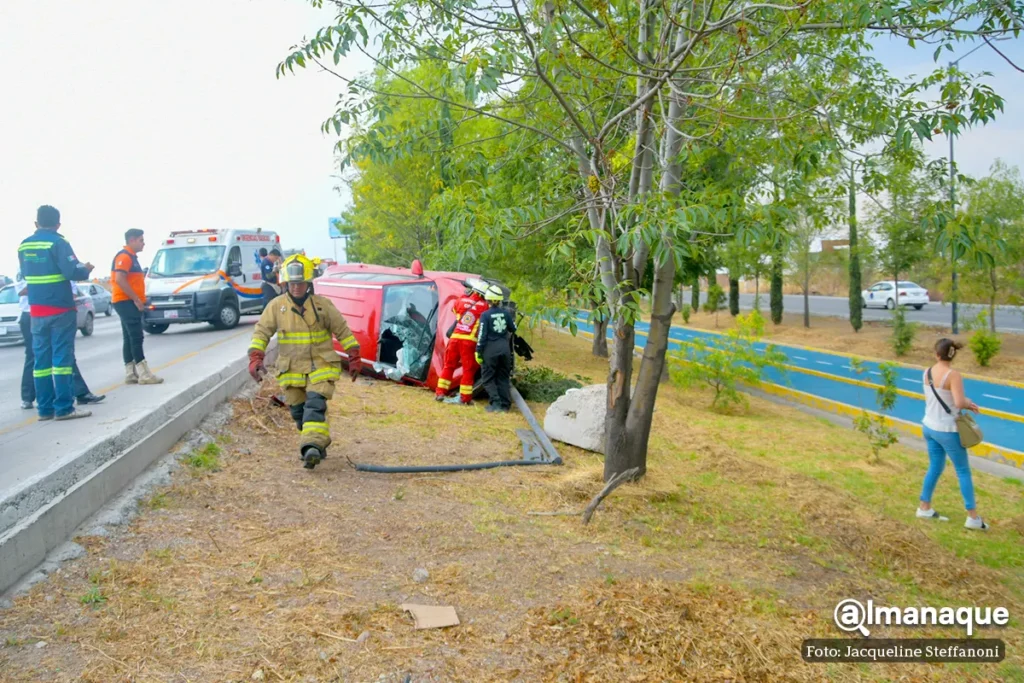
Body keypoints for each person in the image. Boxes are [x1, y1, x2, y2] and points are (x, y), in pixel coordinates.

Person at [247, 254, 362, 469]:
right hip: (291, 370)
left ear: (308, 283)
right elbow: (261, 333)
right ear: (286, 283)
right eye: (292, 283)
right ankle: (315, 444)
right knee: (299, 414)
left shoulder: (323, 306)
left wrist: (354, 356)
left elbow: (343, 331)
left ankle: (311, 449)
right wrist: (255, 357)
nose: (296, 287)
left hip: (321, 366)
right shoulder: (276, 307)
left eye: (300, 283)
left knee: (314, 407)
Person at [17, 205, 95, 421]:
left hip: (36, 310)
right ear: (58, 224)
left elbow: (26, 273)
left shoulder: (24, 246)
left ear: (36, 223)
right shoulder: (59, 242)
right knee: (62, 358)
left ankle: (44, 409)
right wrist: (85, 269)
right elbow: (72, 271)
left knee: (40, 361)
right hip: (60, 308)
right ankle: (64, 408)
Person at [918, 338, 986, 530]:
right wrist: (968, 401)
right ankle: (973, 518)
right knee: (963, 471)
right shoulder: (953, 375)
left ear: (936, 354)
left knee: (935, 467)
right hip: (948, 430)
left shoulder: (927, 373)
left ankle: (924, 507)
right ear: (952, 355)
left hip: (929, 427)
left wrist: (963, 401)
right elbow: (957, 402)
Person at [16, 276, 105, 409]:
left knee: (65, 354)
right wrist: (53, 287)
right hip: (32, 313)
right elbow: (21, 290)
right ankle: (28, 397)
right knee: (34, 356)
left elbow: (73, 291)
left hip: (58, 312)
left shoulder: (61, 264)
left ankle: (80, 393)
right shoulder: (28, 260)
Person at [112, 229, 163, 385]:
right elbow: (120, 279)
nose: (143, 243)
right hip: (126, 301)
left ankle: (130, 372)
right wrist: (136, 299)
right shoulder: (124, 257)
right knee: (136, 336)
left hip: (126, 301)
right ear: (132, 240)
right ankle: (144, 373)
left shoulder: (132, 257)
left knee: (128, 337)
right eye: (141, 240)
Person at [435, 284, 488, 404]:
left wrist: (465, 295)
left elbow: (454, 309)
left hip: (454, 339)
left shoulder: (461, 300)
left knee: (448, 366)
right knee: (468, 370)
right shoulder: (485, 306)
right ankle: (465, 398)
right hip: (469, 341)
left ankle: (440, 393)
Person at [475, 285, 516, 413]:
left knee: (487, 378)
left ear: (488, 300)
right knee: (503, 377)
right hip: (504, 350)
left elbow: (482, 334)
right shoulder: (506, 313)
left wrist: (478, 351)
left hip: (490, 350)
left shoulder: (485, 315)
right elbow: (513, 328)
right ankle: (505, 405)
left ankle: (496, 403)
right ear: (499, 300)